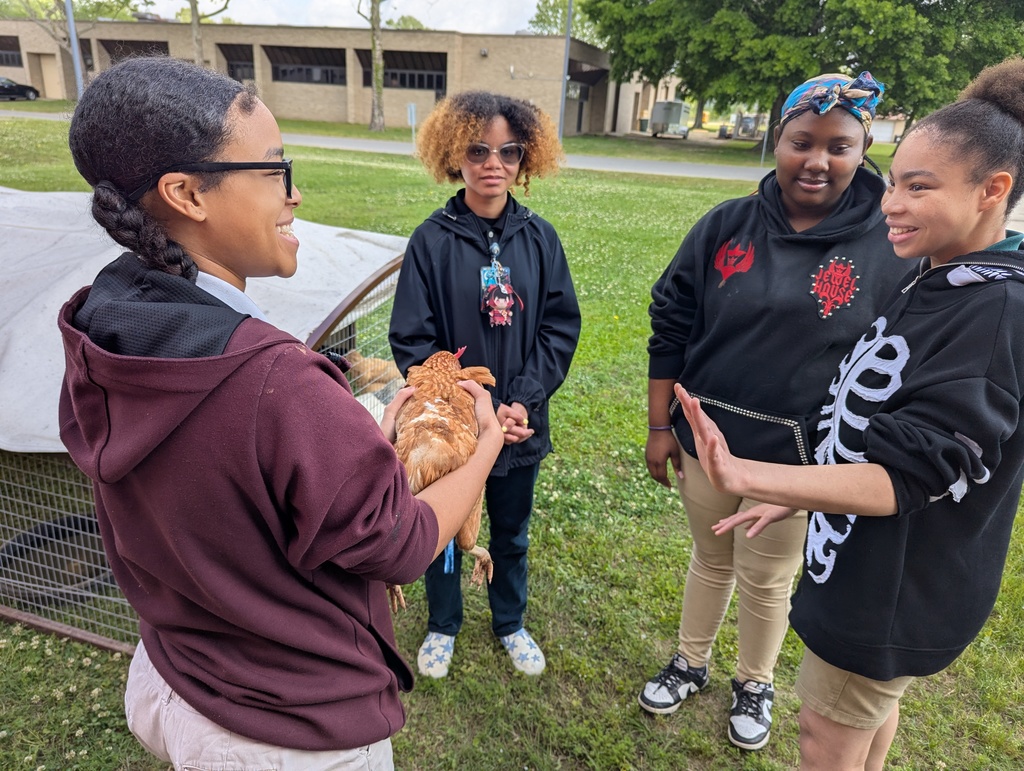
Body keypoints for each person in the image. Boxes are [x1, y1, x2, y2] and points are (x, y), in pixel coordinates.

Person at [57, 57, 503, 771]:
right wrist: (483, 449)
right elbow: (400, 544)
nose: (297, 194)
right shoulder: (276, 383)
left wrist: (367, 437)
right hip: (286, 732)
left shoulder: (104, 322)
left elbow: (236, 475)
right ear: (186, 194)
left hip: (177, 675)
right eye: (274, 170)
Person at [678, 56, 1024, 771]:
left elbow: (908, 476)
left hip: (887, 592)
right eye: (894, 180)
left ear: (994, 191)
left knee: (825, 735)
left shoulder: (992, 311)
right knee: (867, 717)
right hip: (863, 559)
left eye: (917, 187)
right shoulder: (942, 274)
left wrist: (752, 473)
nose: (890, 203)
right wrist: (799, 490)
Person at [641, 72, 910, 751]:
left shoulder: (891, 242)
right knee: (709, 558)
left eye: (839, 146)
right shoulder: (726, 225)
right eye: (801, 141)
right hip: (707, 441)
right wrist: (656, 425)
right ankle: (690, 660)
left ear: (864, 147)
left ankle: (753, 680)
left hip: (798, 464)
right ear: (777, 139)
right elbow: (670, 322)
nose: (817, 159)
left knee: (766, 577)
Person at [389, 91, 580, 678]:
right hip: (452, 432)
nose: (493, 162)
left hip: (520, 424)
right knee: (444, 530)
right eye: (478, 149)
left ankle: (510, 621)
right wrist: (466, 408)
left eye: (509, 151)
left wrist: (520, 400)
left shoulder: (541, 238)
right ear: (454, 153)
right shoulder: (431, 240)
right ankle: (443, 623)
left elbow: (558, 326)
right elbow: (413, 340)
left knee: (512, 530)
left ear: (527, 158)